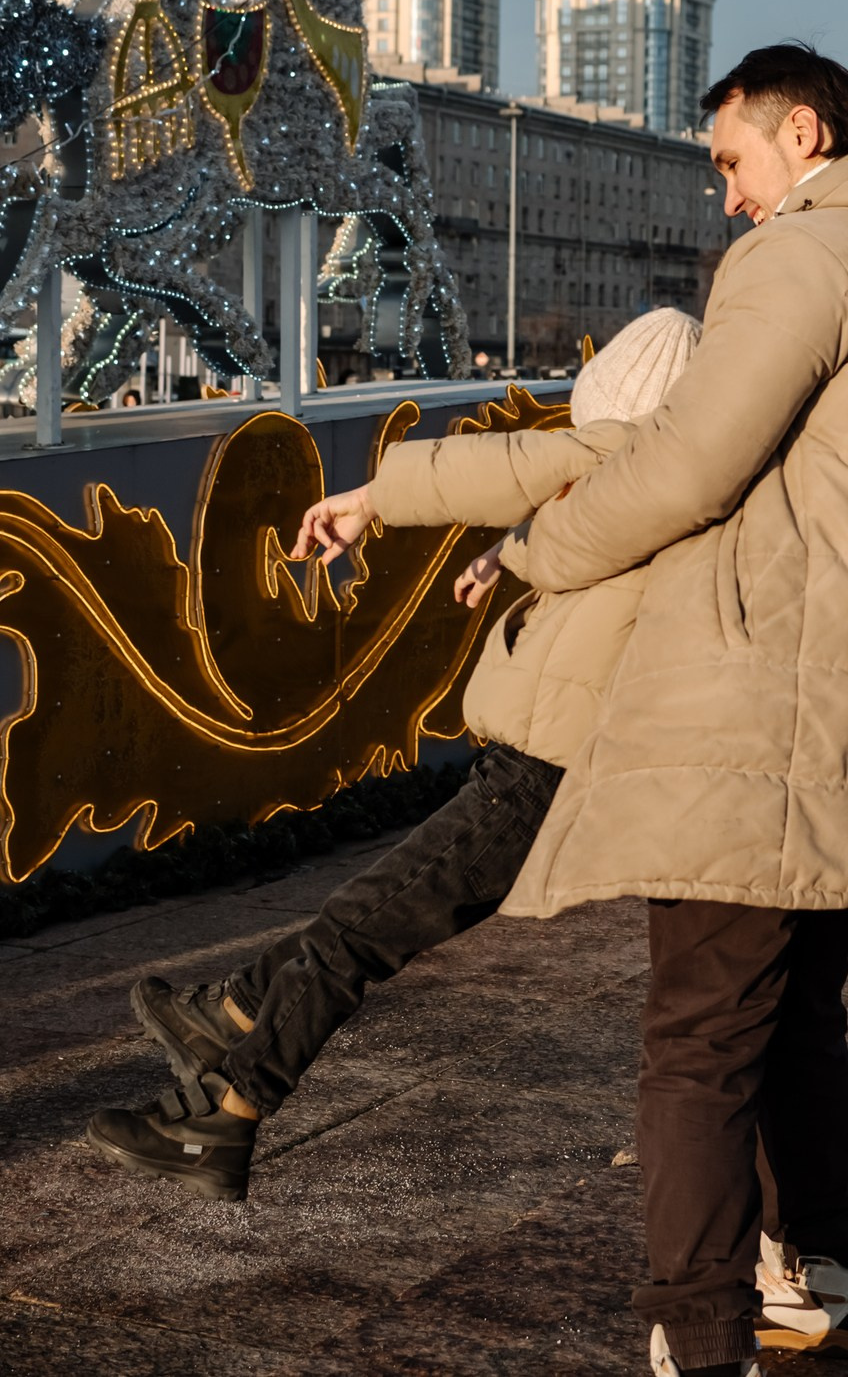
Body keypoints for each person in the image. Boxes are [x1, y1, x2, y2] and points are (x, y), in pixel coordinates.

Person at [492, 43, 848, 1377]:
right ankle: (819, 1275)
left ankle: (697, 1336)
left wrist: (535, 551)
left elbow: (684, 464)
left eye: (730, 160)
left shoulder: (804, 256)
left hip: (758, 707)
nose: (724, 196)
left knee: (699, 1041)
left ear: (804, 132)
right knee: (795, 1017)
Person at [85, 309, 701, 1182]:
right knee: (371, 914)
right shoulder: (655, 492)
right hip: (545, 761)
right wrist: (509, 553)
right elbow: (580, 531)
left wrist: (377, 498)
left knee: (360, 934)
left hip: (549, 771)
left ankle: (228, 1113)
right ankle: (232, 1011)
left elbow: (518, 465)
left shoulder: (635, 453)